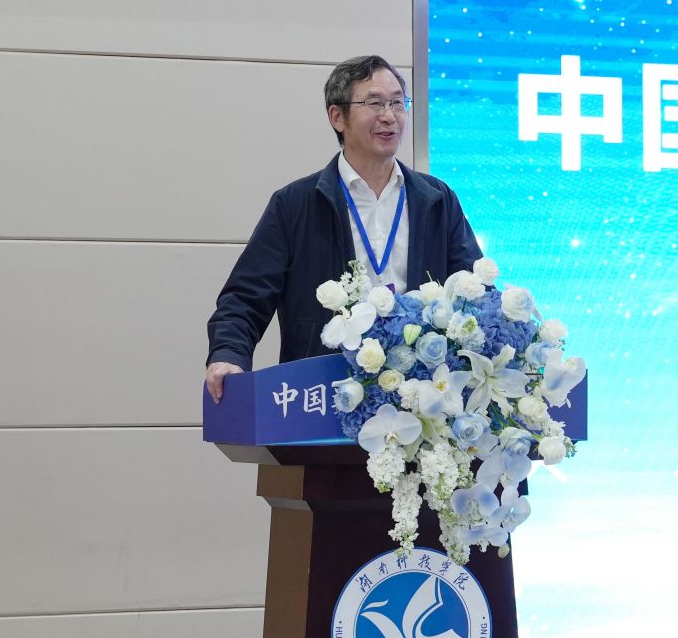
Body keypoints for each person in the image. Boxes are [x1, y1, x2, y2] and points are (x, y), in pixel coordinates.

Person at [204, 55, 482, 401]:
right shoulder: (296, 204)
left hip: (419, 397)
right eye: (374, 103)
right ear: (337, 117)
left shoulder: (436, 199)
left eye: (398, 103)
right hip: (325, 391)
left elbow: (474, 290)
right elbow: (246, 297)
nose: (389, 116)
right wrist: (228, 354)